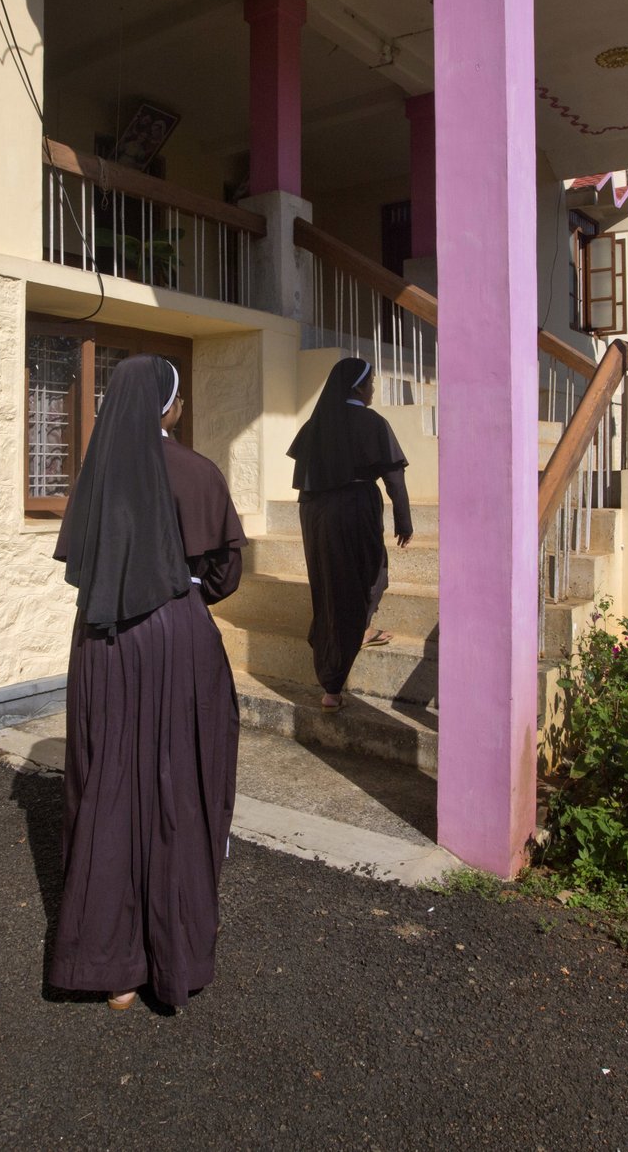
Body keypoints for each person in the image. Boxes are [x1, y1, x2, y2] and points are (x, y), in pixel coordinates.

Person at [49, 355, 245, 1010]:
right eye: (179, 400)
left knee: (108, 782)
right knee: (180, 782)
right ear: (166, 405)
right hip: (176, 637)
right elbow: (223, 574)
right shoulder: (197, 471)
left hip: (104, 641)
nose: (180, 409)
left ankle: (114, 967)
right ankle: (175, 956)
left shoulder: (97, 476)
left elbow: (80, 562)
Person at [287, 358, 414, 711]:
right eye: (370, 382)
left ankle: (342, 644)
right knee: (372, 575)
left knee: (328, 582)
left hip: (314, 512)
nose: (373, 388)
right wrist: (404, 522)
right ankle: (338, 673)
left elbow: (304, 477)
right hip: (355, 508)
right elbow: (394, 480)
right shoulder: (372, 422)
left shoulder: (316, 424)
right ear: (358, 387)